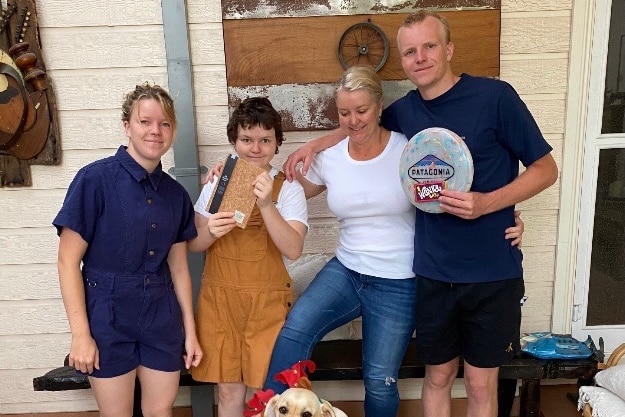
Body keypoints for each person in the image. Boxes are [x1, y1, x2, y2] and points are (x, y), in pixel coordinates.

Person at [264, 65, 527, 417]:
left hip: (398, 281)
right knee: (294, 332)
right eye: (344, 113)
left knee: (379, 379)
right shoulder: (329, 158)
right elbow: (286, 194)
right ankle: (269, 411)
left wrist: (505, 216)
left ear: (379, 107)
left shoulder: (411, 150)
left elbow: (456, 188)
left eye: (362, 111)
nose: (353, 120)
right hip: (346, 270)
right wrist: (236, 176)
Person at [54, 82, 203, 417]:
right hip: (107, 316)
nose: (156, 130)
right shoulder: (93, 181)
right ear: (127, 126)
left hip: (162, 318)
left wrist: (190, 333)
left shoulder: (176, 195)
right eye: (145, 121)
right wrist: (81, 335)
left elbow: (179, 269)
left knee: (159, 412)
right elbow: (67, 262)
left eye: (165, 123)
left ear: (173, 130)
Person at [188, 97, 308, 417]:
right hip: (220, 301)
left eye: (265, 140)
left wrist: (267, 204)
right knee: (228, 391)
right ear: (234, 141)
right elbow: (193, 244)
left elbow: (293, 249)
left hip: (265, 304)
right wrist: (210, 231)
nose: (255, 149)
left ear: (276, 143)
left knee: (265, 393)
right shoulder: (219, 181)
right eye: (246, 140)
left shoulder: (288, 189)